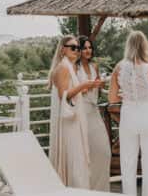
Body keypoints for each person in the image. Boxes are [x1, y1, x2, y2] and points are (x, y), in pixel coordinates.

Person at [109, 30, 148, 196]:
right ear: (145, 46)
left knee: (127, 162)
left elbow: (112, 98)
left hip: (128, 115)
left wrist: (124, 93)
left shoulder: (118, 68)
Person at [48, 35, 99, 188]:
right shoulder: (63, 68)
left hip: (74, 119)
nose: (77, 50)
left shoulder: (68, 66)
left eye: (78, 47)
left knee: (78, 158)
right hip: (68, 122)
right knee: (75, 158)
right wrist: (84, 85)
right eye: (73, 47)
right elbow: (64, 95)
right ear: (63, 49)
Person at [76, 35, 112, 191]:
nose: (88, 50)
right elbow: (77, 91)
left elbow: (98, 88)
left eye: (90, 47)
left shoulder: (94, 66)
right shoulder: (73, 68)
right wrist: (91, 86)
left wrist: (102, 85)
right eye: (84, 48)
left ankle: (100, 190)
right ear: (79, 50)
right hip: (81, 110)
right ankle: (85, 189)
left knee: (104, 151)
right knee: (84, 154)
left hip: (93, 110)